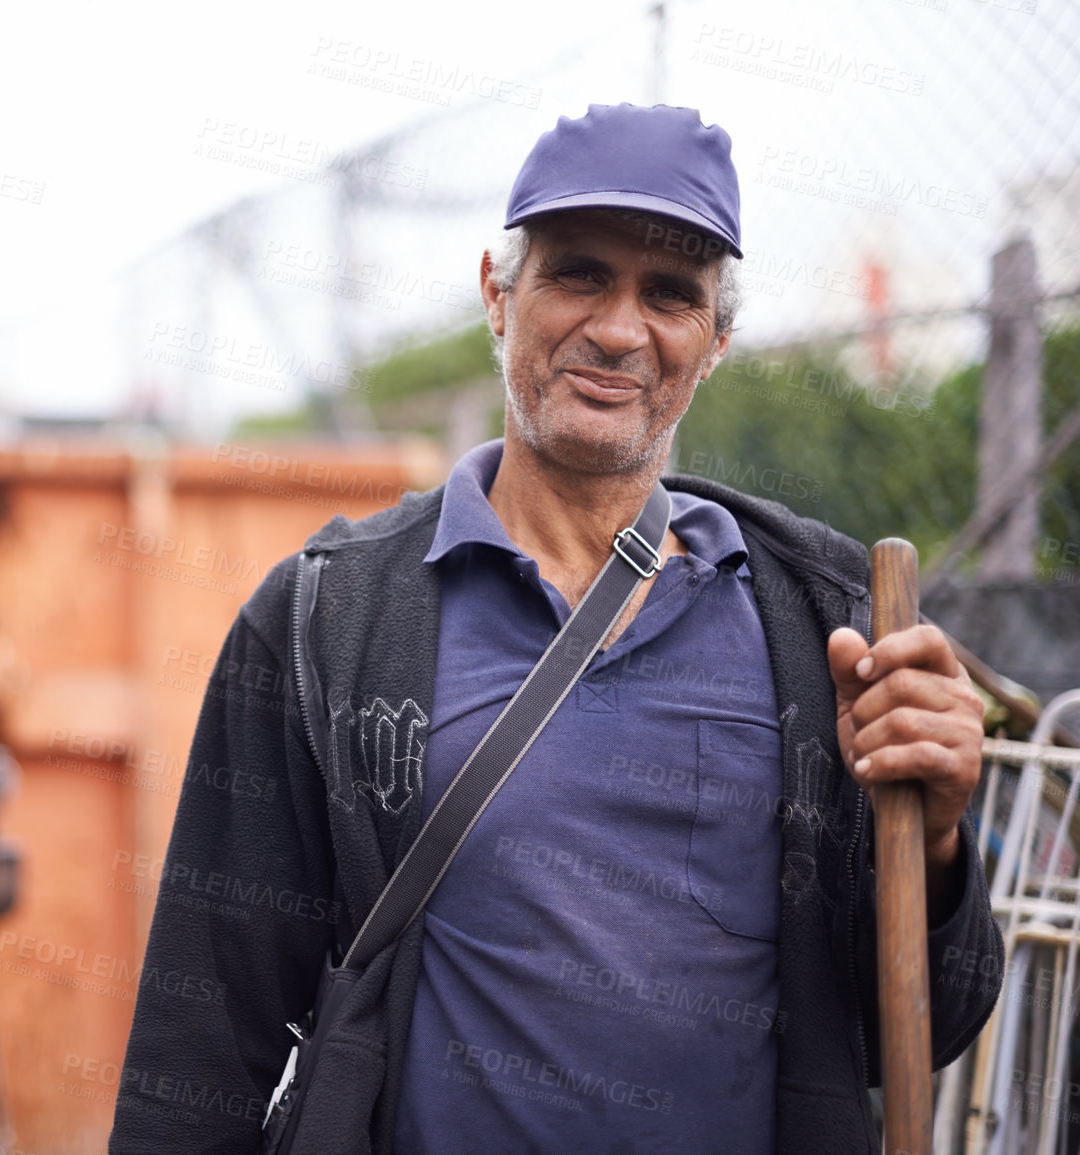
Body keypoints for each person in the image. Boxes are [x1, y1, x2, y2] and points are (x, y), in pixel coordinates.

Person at [109, 103, 1003, 1154]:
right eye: (579, 273)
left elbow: (928, 1026)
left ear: (715, 342)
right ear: (499, 294)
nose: (620, 328)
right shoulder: (326, 621)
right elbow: (201, 1042)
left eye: (671, 294)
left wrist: (936, 840)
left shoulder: (825, 626)